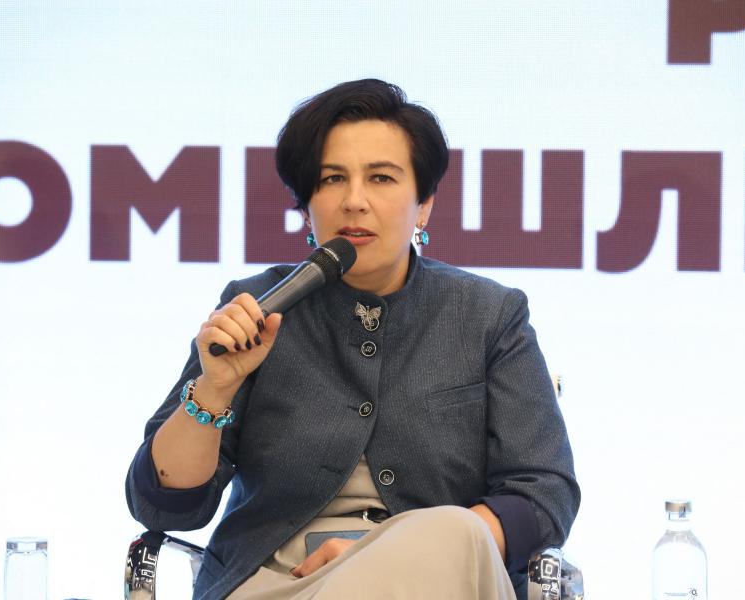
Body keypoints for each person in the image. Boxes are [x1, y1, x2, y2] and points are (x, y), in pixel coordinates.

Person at [126, 79, 580, 600]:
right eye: (332, 179)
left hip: (441, 578)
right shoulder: (256, 308)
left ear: (424, 205)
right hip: (281, 583)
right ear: (306, 207)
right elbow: (163, 506)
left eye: (381, 178)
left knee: (455, 528)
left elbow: (544, 494)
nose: (354, 201)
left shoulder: (488, 316)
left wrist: (392, 555)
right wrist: (215, 390)